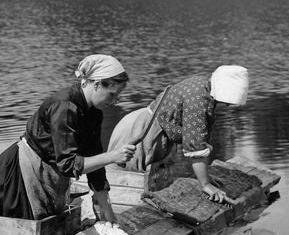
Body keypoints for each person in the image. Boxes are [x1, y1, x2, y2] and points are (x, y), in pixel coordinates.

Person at [0, 54, 136, 223]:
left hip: (47, 174)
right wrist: (112, 156)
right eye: (112, 95)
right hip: (17, 177)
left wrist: (107, 211)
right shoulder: (64, 107)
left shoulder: (94, 113)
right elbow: (68, 165)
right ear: (96, 84)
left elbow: (96, 165)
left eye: (118, 96)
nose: (115, 101)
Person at [106, 65, 250, 204]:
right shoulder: (198, 100)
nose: (229, 105)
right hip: (145, 131)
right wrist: (206, 184)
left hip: (145, 123)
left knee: (146, 179)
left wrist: (204, 175)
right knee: (125, 179)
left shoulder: (203, 85)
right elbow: (196, 147)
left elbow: (196, 139)